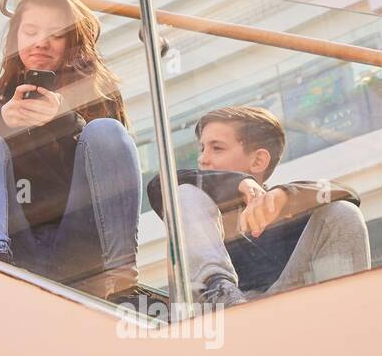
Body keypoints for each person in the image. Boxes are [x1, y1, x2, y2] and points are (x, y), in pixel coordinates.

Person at [0, 0, 141, 300]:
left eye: (56, 34)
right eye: (30, 31)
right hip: (15, 243)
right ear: (15, 39)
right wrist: (1, 122)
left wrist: (65, 118)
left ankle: (122, 279)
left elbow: (113, 165)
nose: (41, 42)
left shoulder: (97, 94)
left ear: (73, 40)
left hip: (83, 247)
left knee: (106, 131)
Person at [146, 105, 370, 306]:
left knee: (341, 210)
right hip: (213, 322)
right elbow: (158, 185)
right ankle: (220, 294)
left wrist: (286, 195)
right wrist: (237, 183)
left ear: (258, 161)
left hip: (280, 316)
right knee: (184, 193)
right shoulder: (194, 205)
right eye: (202, 148)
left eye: (217, 148)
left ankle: (345, 316)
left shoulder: (286, 210)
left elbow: (348, 194)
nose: (203, 159)